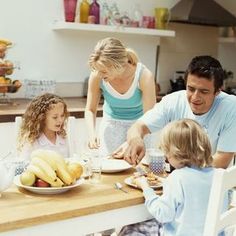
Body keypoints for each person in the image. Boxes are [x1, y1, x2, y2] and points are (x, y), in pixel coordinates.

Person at [114, 55, 236, 168]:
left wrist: (183, 172)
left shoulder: (230, 107)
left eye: (204, 91)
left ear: (218, 91)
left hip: (212, 181)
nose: (195, 97)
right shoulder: (173, 101)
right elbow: (138, 126)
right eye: (191, 89)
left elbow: (222, 160)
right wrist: (136, 140)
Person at [119, 119, 227, 236]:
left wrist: (145, 187)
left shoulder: (177, 178)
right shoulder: (219, 175)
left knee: (129, 229)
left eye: (166, 151)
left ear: (177, 152)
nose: (166, 156)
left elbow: (163, 214)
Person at [85, 37, 156, 156]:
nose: (99, 74)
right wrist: (92, 135)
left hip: (140, 127)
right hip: (112, 126)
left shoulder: (144, 76)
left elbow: (150, 116)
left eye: (104, 71)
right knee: (111, 167)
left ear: (117, 65)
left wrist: (133, 140)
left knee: (139, 171)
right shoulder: (97, 76)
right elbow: (90, 110)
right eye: (97, 70)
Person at [17, 93, 70, 161]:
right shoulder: (32, 143)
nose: (60, 120)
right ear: (42, 118)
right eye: (55, 117)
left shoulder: (63, 138)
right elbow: (23, 167)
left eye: (62, 115)